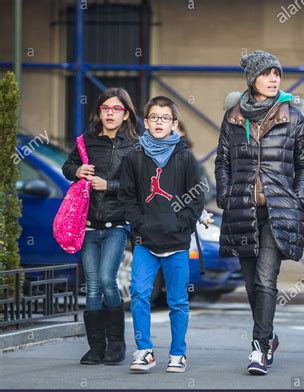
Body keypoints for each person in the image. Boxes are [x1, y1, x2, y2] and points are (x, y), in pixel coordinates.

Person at [215, 50, 304, 375]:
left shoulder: (293, 117)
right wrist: (225, 194)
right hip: (242, 209)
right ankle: (269, 336)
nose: (274, 79)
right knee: (250, 284)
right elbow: (223, 161)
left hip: (278, 210)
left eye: (277, 73)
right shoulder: (233, 117)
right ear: (252, 79)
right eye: (267, 73)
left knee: (265, 278)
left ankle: (259, 349)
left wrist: (299, 199)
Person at [118, 96, 204, 373]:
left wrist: (182, 223)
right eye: (154, 117)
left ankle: (178, 353)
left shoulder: (185, 157)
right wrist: (139, 223)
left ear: (174, 124)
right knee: (140, 295)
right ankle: (144, 351)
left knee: (177, 301)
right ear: (146, 122)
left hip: (177, 242)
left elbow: (197, 197)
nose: (159, 122)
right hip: (145, 241)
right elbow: (126, 195)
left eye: (165, 118)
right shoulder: (134, 156)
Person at [62, 87, 138, 365]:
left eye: (116, 109)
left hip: (117, 224)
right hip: (89, 224)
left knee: (107, 279)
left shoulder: (135, 146)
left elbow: (137, 186)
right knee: (92, 285)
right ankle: (96, 347)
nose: (110, 113)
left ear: (126, 114)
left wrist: (110, 185)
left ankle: (117, 344)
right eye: (105, 108)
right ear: (99, 112)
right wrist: (77, 171)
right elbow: (68, 167)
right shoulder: (86, 142)